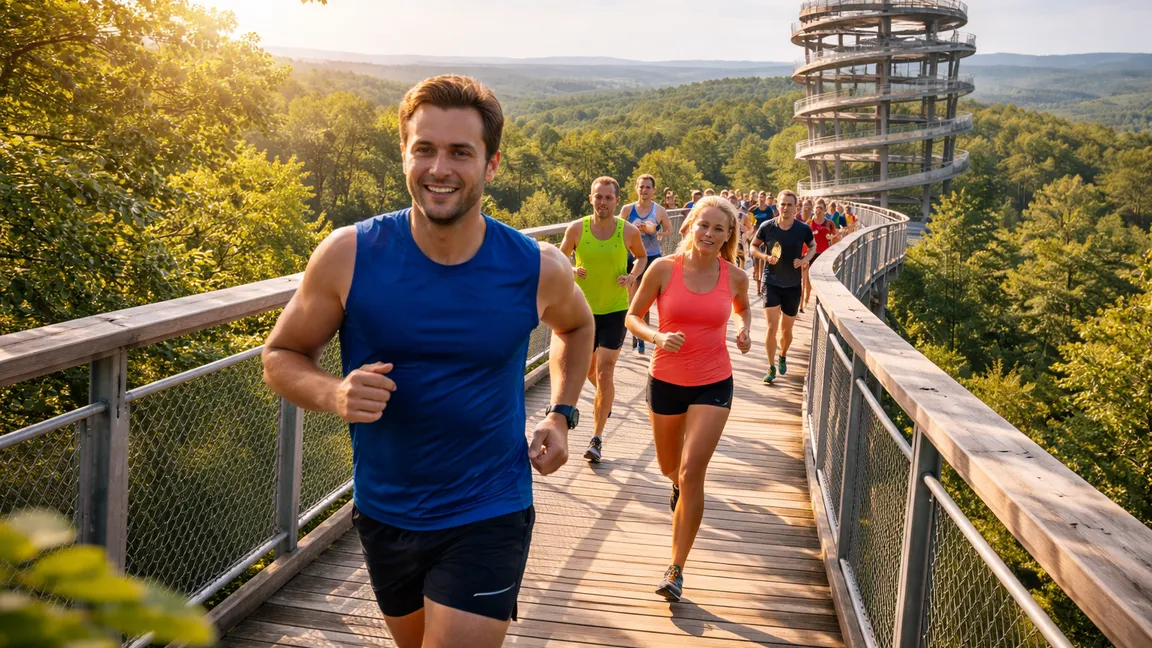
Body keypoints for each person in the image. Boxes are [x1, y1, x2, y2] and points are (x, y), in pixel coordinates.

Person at [261, 75, 595, 648]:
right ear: (404, 154)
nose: (440, 167)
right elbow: (281, 355)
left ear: (491, 165)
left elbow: (578, 324)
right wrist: (333, 393)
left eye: (461, 152)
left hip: (490, 507)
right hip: (386, 509)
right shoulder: (349, 253)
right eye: (425, 149)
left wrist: (562, 413)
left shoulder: (535, 266)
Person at [626, 196, 753, 602]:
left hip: (714, 381)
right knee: (671, 469)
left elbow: (743, 308)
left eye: (719, 229)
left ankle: (676, 569)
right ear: (690, 227)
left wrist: (744, 327)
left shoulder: (735, 277)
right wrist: (658, 336)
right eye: (704, 226)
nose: (710, 234)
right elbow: (633, 316)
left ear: (729, 235)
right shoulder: (664, 269)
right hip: (665, 378)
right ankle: (678, 486)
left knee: (692, 470)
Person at [560, 177, 649, 463]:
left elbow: (642, 257)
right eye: (598, 197)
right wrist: (573, 269)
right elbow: (559, 260)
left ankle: (596, 439)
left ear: (616, 200)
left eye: (608, 198)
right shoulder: (577, 229)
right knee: (588, 371)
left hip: (614, 310)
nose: (603, 202)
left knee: (605, 372)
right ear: (591, 199)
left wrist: (632, 275)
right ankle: (605, 399)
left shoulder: (628, 231)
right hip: (583, 312)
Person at [751, 189, 816, 385]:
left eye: (789, 204)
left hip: (793, 285)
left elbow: (813, 246)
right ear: (777, 206)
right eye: (782, 204)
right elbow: (753, 247)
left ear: (795, 208)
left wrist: (804, 260)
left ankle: (783, 354)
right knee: (771, 327)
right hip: (771, 282)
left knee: (786, 331)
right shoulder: (767, 226)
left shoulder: (803, 229)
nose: (785, 208)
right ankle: (770, 367)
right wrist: (764, 257)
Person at [622, 174, 673, 354]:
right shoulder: (627, 210)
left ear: (654, 190)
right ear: (636, 188)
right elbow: (618, 230)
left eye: (648, 187)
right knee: (634, 298)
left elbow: (669, 230)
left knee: (646, 299)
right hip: (633, 257)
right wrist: (633, 230)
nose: (644, 190)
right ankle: (637, 334)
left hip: (652, 257)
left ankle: (642, 337)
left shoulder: (658, 210)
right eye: (641, 187)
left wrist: (656, 231)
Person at [801, 199, 839, 313]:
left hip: (823, 254)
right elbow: (802, 238)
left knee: (819, 280)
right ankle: (804, 301)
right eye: (817, 208)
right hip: (810, 252)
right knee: (805, 278)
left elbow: (837, 237)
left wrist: (831, 238)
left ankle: (819, 303)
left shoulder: (829, 223)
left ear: (825, 210)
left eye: (821, 208)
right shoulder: (809, 222)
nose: (818, 210)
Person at [748, 191, 776, 295]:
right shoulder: (754, 209)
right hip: (756, 236)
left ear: (765, 198)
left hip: (766, 237)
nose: (761, 199)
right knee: (756, 262)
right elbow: (749, 219)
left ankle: (763, 286)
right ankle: (757, 288)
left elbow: (772, 223)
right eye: (760, 197)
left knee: (764, 261)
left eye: (763, 197)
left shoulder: (769, 210)